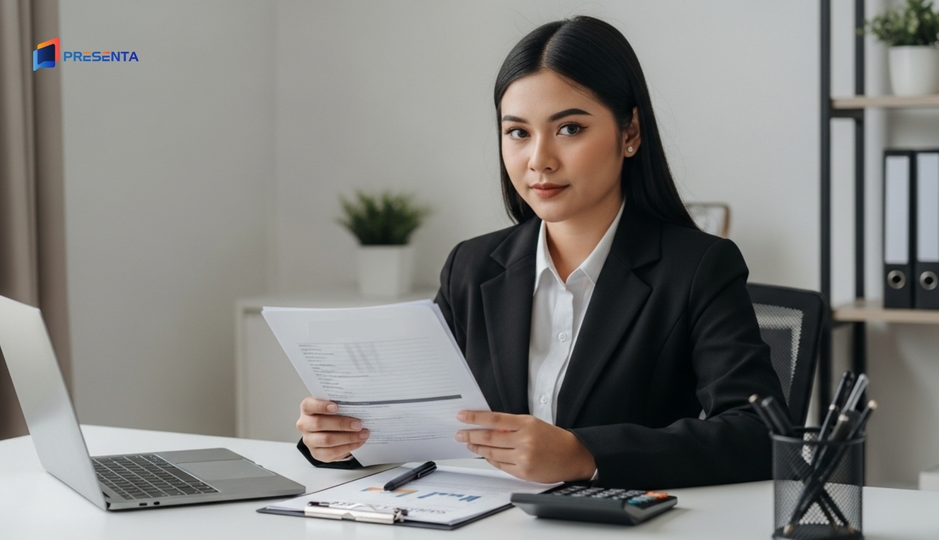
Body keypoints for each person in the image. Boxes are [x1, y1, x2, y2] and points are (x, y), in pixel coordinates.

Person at [294, 15, 788, 489]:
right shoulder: (472, 266)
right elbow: (420, 421)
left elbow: (760, 434)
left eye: (569, 128)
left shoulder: (697, 267)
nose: (539, 160)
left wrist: (584, 455)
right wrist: (338, 441)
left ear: (630, 133)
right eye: (518, 132)